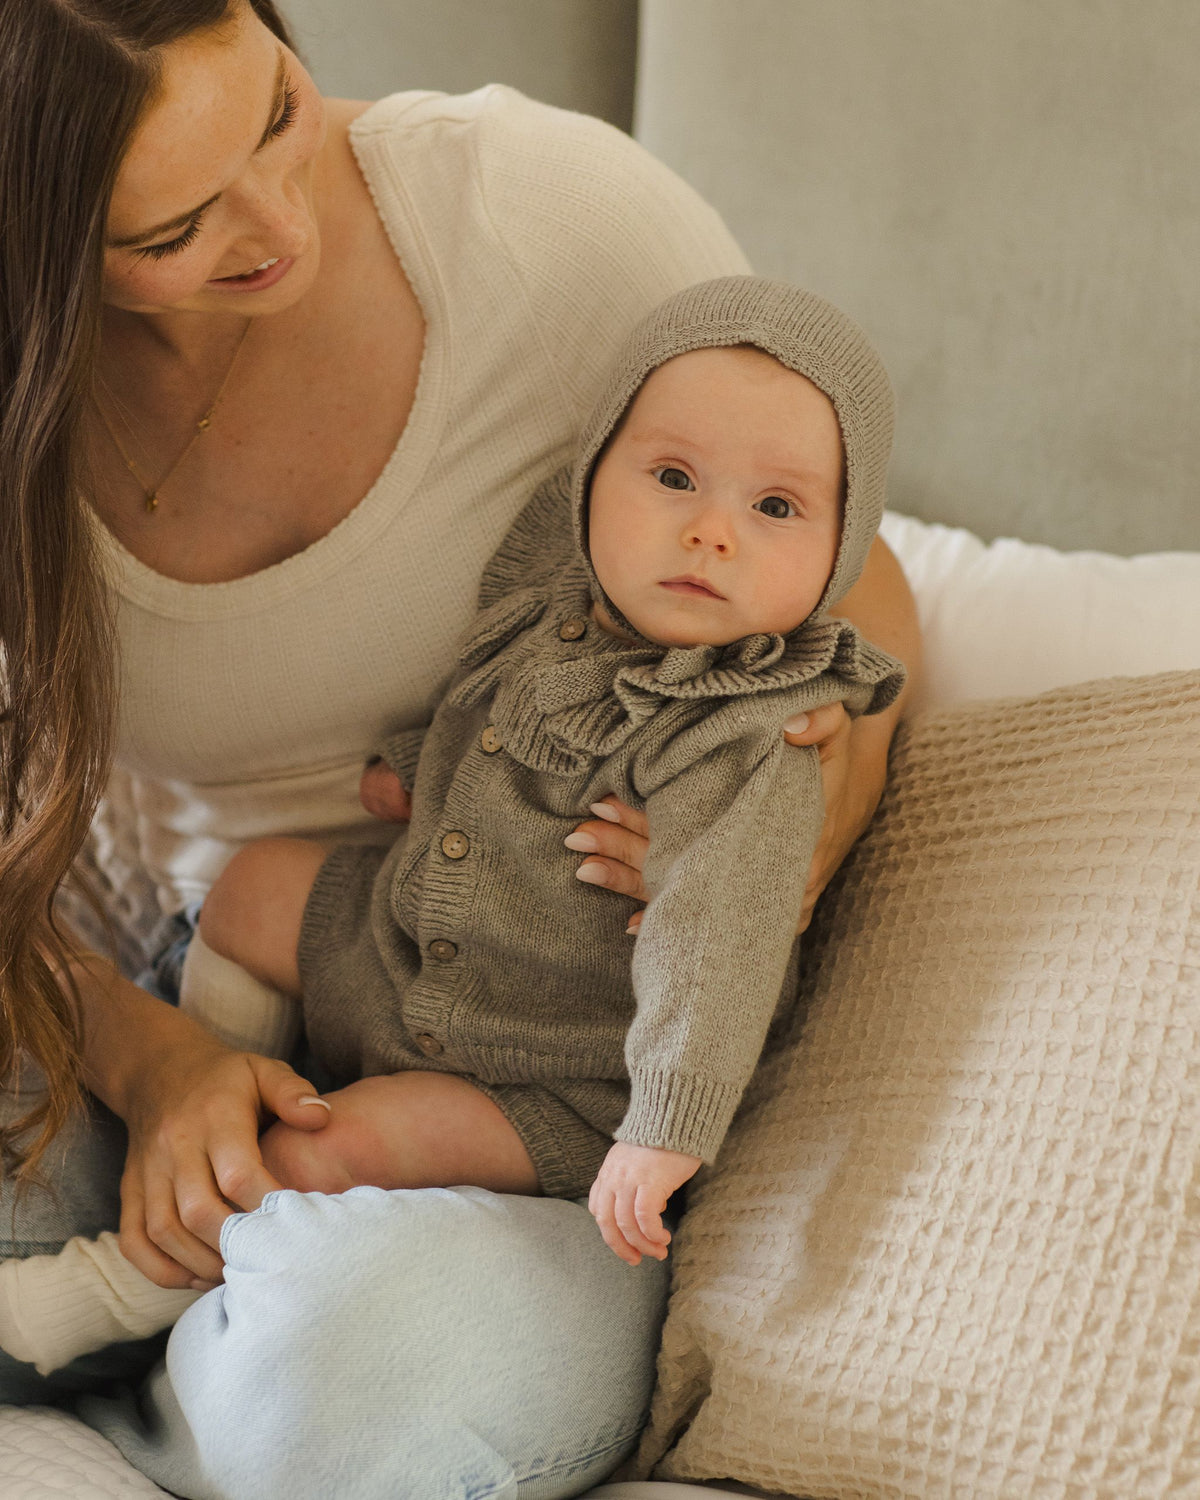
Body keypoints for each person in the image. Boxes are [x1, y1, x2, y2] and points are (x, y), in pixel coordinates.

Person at [0, 2, 922, 1495]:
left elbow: (842, 560)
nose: (276, 219)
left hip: (540, 1083)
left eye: (279, 112)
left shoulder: (548, 222)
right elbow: (475, 709)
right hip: (223, 983)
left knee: (364, 1373)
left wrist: (809, 811)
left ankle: (202, 1328)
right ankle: (185, 1300)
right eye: (173, 226)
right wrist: (158, 1057)